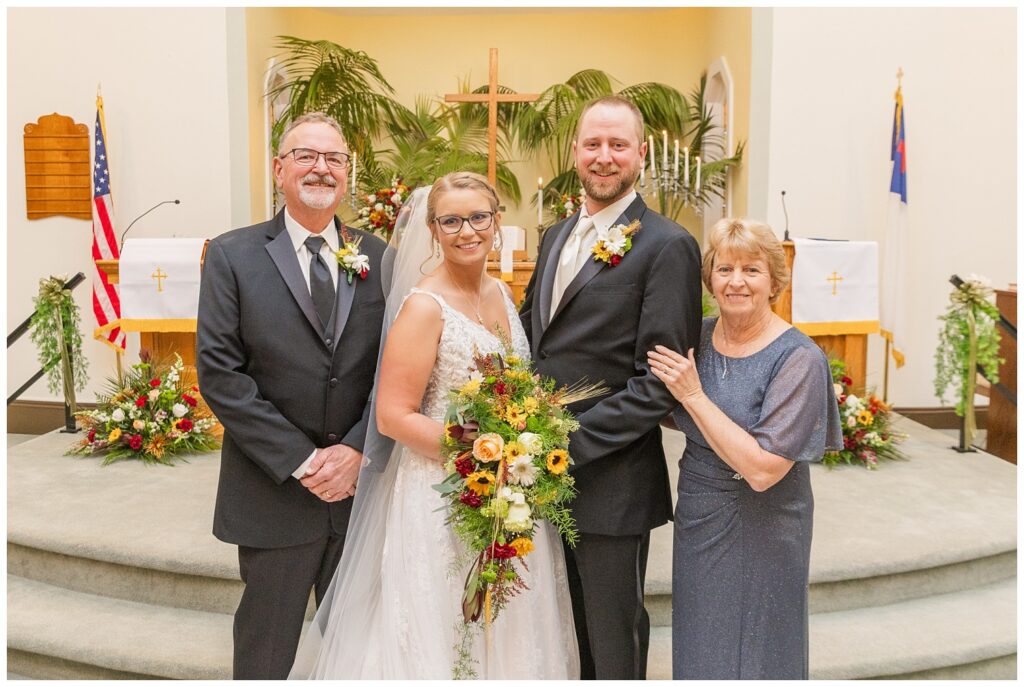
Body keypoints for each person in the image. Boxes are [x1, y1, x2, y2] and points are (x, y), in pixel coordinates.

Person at [289, 173, 579, 679]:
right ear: (433, 229)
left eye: (478, 218)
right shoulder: (425, 307)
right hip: (441, 494)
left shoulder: (500, 293)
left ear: (497, 223)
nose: (467, 231)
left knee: (510, 622)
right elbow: (393, 416)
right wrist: (485, 453)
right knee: (445, 628)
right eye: (451, 220)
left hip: (506, 490)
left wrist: (521, 447)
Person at [196, 112, 387, 679]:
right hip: (272, 491)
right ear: (279, 169)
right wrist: (304, 461)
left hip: (360, 494)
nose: (320, 168)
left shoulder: (381, 256)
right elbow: (221, 376)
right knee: (266, 651)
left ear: (347, 174)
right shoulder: (233, 255)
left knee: (356, 651)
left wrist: (357, 449)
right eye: (306, 155)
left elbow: (394, 372)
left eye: (333, 159)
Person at [519, 95, 702, 679]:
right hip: (535, 472)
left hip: (610, 478)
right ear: (575, 152)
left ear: (640, 155)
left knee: (610, 633)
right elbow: (534, 340)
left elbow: (660, 382)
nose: (604, 157)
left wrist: (561, 446)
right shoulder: (553, 237)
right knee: (557, 627)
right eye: (593, 144)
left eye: (617, 145)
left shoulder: (666, 245)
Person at [647, 218, 843, 680]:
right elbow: (659, 405)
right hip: (700, 510)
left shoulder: (799, 358)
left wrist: (693, 396)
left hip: (766, 522)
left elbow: (763, 469)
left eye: (751, 270)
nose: (736, 282)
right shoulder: (696, 336)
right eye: (724, 269)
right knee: (701, 635)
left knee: (761, 642)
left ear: (775, 281)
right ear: (709, 278)